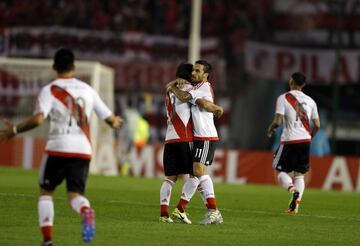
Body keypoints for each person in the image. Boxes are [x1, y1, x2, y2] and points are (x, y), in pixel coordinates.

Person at [0, 48, 122, 246]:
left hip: (58, 147)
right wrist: (115, 121)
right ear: (74, 66)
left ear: (54, 66)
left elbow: (39, 119)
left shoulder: (50, 90)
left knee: (46, 192)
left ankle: (48, 241)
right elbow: (109, 119)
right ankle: (85, 210)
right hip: (82, 150)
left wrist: (14, 129)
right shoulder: (88, 90)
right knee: (75, 195)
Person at [160, 62, 223, 223]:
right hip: (197, 137)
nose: (194, 73)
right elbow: (200, 102)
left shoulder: (202, 87)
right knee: (196, 173)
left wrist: (214, 107)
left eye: (197, 71)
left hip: (205, 136)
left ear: (206, 75)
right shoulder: (194, 87)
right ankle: (187, 210)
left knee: (198, 172)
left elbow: (196, 100)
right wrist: (175, 83)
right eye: (193, 70)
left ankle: (212, 210)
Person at [267, 72, 320, 214]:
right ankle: (295, 207)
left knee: (280, 171)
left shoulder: (283, 98)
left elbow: (278, 121)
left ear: (291, 81)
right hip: (305, 140)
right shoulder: (311, 101)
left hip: (290, 139)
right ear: (303, 85)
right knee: (299, 175)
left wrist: (271, 129)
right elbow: (317, 125)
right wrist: (310, 137)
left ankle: (292, 189)